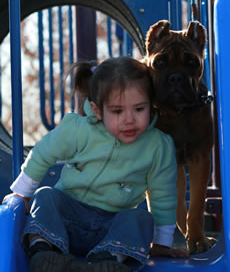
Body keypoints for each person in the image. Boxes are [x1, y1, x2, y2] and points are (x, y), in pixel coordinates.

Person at [3, 56, 188, 272]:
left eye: (139, 109)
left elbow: (162, 194)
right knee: (45, 196)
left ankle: (107, 260)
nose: (129, 119)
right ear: (98, 110)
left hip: (112, 229)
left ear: (150, 105)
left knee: (140, 217)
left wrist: (162, 243)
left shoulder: (157, 145)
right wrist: (22, 193)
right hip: (69, 220)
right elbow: (43, 153)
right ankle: (45, 252)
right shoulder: (78, 129)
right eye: (117, 111)